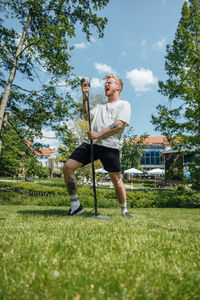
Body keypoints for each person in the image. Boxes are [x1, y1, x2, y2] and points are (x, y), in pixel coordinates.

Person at [63, 74, 133, 217]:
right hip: (91, 145)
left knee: (116, 180)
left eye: (110, 83)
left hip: (110, 146)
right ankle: (76, 206)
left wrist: (98, 134)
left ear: (118, 87)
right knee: (67, 167)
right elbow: (87, 116)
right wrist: (85, 96)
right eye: (105, 83)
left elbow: (119, 124)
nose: (106, 85)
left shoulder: (124, 104)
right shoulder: (100, 106)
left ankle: (124, 210)